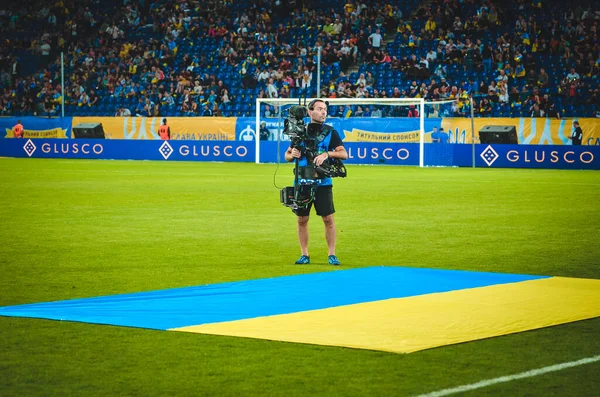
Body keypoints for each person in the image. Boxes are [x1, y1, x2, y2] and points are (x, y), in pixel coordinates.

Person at [284, 99, 348, 266]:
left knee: (328, 219)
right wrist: (294, 154)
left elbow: (343, 154)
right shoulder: (299, 131)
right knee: (302, 220)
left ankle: (332, 254)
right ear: (310, 112)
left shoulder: (330, 132)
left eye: (325, 109)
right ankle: (304, 254)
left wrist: (327, 154)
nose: (323, 112)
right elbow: (287, 155)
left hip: (323, 183)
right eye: (319, 109)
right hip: (302, 182)